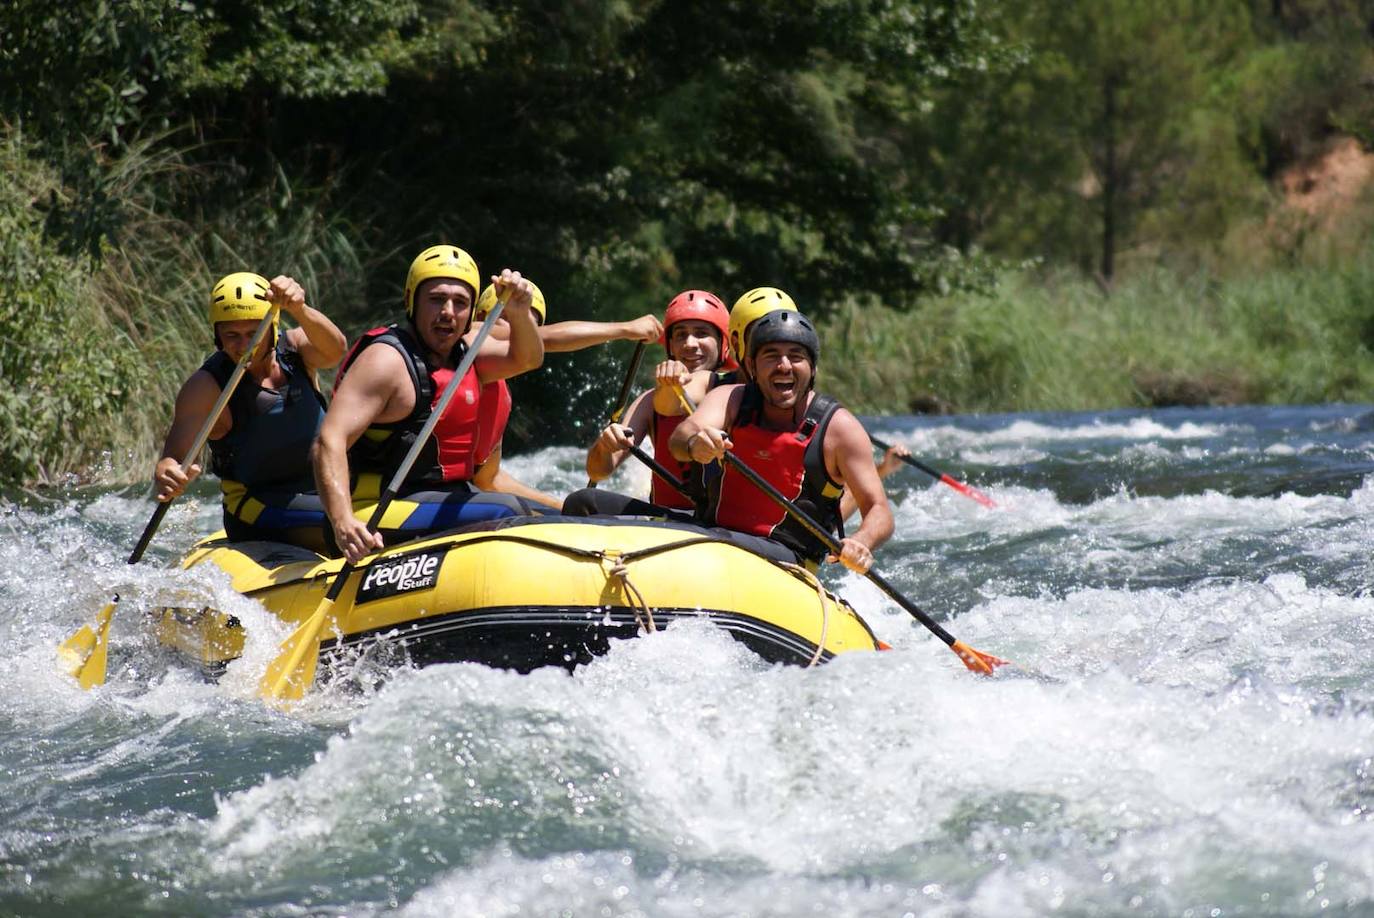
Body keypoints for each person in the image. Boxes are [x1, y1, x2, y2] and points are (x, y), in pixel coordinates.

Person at [313, 245, 544, 563]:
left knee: (546, 514)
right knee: (507, 509)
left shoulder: (466, 354)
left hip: (437, 498)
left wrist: (519, 312)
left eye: (460, 303)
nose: (448, 311)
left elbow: (528, 358)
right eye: (436, 299)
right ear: (412, 301)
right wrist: (342, 521)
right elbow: (329, 440)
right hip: (371, 510)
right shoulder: (386, 361)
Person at [669, 308, 893, 573]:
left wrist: (860, 541)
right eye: (771, 355)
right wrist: (696, 444)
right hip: (711, 539)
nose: (784, 365)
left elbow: (879, 509)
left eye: (796, 356)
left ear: (813, 369)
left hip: (785, 561)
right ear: (752, 366)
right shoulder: (730, 399)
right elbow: (681, 437)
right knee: (605, 505)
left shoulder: (840, 429)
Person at [153, 272, 347, 552]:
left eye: (253, 332)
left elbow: (336, 351)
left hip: (322, 487)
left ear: (272, 326)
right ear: (217, 334)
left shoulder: (296, 350)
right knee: (346, 520)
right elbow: (174, 457)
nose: (244, 345)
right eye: (231, 335)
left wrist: (299, 309)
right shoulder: (206, 387)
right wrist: (167, 471)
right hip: (256, 506)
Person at [466, 282, 664, 511]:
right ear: (482, 316)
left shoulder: (499, 390)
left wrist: (560, 508)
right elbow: (547, 337)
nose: (520, 332)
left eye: (528, 325)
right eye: (511, 318)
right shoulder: (470, 334)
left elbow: (489, 480)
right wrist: (626, 329)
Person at [562, 290, 735, 520]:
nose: (690, 344)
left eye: (702, 334)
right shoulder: (649, 401)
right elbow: (597, 471)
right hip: (668, 518)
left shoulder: (735, 393)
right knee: (582, 501)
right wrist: (604, 446)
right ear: (670, 346)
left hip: (722, 525)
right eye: (681, 335)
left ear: (723, 343)